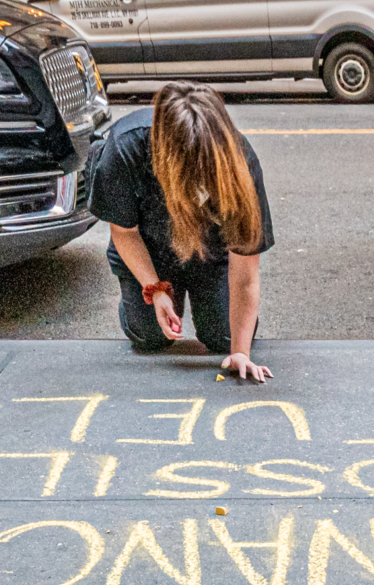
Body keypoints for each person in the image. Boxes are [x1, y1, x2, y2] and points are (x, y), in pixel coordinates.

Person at [89, 83, 275, 382]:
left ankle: (212, 309)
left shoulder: (241, 164)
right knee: (149, 337)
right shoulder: (125, 148)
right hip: (149, 248)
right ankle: (137, 299)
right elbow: (125, 233)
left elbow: (245, 271)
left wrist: (240, 352)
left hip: (213, 253)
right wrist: (155, 289)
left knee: (225, 339)